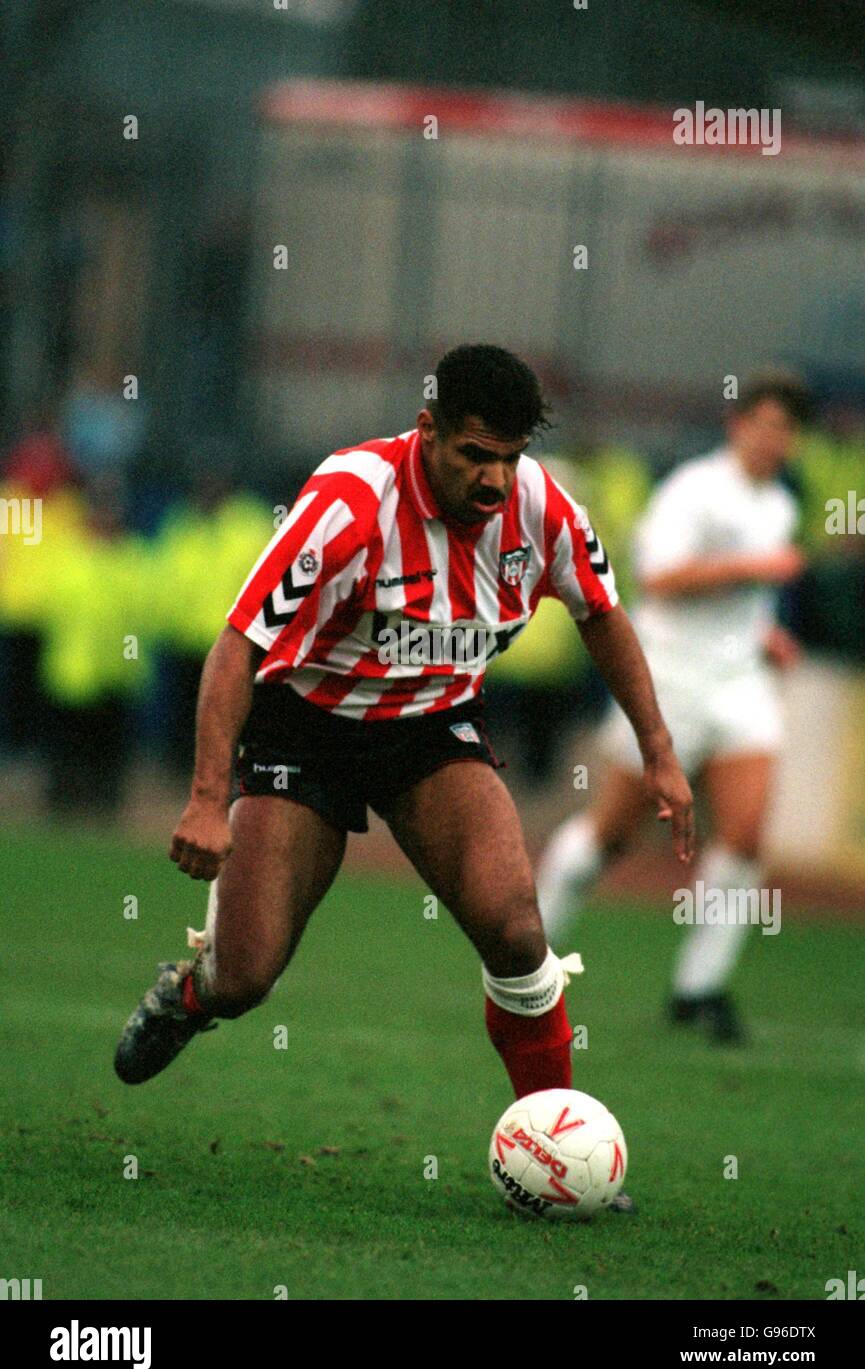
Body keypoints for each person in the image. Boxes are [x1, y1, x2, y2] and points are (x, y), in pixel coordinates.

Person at [114, 346, 693, 1199]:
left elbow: (602, 615)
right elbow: (237, 645)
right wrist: (206, 799)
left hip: (430, 729)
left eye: (510, 456)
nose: (495, 480)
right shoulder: (349, 503)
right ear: (427, 432)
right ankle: (187, 995)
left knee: (517, 930)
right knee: (246, 975)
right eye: (474, 455)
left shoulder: (541, 508)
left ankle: (556, 1147)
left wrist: (659, 754)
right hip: (303, 729)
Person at [535, 372, 811, 1043]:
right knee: (613, 834)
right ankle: (528, 950)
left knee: (745, 837)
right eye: (765, 423)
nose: (775, 438)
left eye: (786, 428)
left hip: (737, 683)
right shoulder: (693, 489)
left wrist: (765, 635)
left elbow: (743, 604)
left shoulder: (777, 504)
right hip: (667, 681)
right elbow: (656, 578)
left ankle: (698, 987)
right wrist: (749, 569)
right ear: (737, 425)